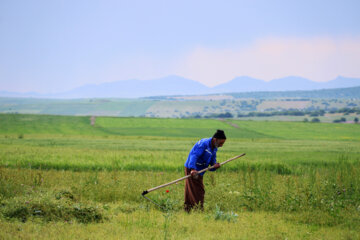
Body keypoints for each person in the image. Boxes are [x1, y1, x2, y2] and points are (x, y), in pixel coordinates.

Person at [184, 129, 226, 212]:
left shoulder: (214, 148)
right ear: (215, 139)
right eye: (221, 143)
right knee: (199, 191)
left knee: (192, 190)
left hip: (200, 171)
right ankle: (198, 210)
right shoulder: (203, 144)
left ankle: (188, 210)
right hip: (193, 169)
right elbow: (194, 156)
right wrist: (192, 169)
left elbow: (212, 164)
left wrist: (215, 166)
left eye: (223, 143)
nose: (221, 145)